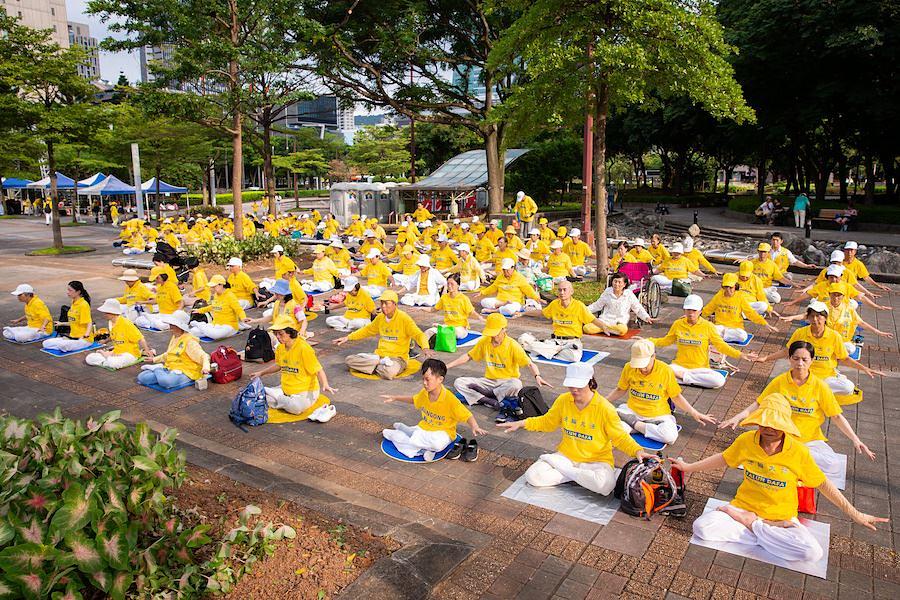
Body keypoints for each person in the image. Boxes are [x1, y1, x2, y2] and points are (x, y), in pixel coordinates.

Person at [674, 393, 886, 563]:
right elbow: (723, 459)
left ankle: (754, 526)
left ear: (785, 425)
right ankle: (760, 528)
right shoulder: (747, 440)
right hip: (745, 508)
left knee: (811, 553)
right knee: (701, 528)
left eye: (775, 424)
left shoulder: (798, 451)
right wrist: (688, 467)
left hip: (780, 517)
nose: (769, 429)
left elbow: (822, 483)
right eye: (764, 423)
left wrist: (855, 514)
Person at [722, 341, 875, 481]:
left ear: (812, 360)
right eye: (795, 359)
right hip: (782, 437)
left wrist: (856, 439)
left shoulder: (820, 386)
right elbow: (758, 403)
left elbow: (836, 416)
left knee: (833, 464)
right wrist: (737, 417)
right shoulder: (780, 382)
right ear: (789, 359)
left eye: (804, 359)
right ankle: (787, 458)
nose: (800, 363)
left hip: (809, 440)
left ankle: (786, 459)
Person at [498, 362, 653, 494]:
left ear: (590, 382)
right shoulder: (563, 400)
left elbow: (620, 437)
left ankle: (569, 473)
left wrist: (637, 450)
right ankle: (580, 477)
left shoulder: (605, 408)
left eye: (579, 385)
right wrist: (522, 423)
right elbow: (547, 422)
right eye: (571, 385)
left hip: (596, 460)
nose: (574, 390)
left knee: (605, 485)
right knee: (533, 476)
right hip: (566, 457)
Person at [606, 340, 716, 445]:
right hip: (632, 411)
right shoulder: (628, 367)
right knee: (610, 432)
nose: (642, 369)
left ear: (653, 356)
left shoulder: (665, 370)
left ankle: (635, 425)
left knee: (669, 437)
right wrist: (603, 402)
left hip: (658, 415)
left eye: (644, 364)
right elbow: (620, 389)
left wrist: (694, 412)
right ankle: (639, 425)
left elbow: (676, 396)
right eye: (638, 364)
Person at [761, 301, 883, 395]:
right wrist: (765, 358)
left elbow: (844, 358)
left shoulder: (834, 336)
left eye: (819, 316)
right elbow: (787, 351)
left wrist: (864, 368)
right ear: (807, 317)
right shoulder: (800, 333)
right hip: (804, 374)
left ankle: (817, 389)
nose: (815, 320)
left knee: (848, 387)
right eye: (812, 316)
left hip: (827, 376)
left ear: (825, 318)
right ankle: (814, 389)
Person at [381, 359, 487, 461]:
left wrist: (475, 427)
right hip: (424, 429)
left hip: (443, 433)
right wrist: (395, 397)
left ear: (440, 379)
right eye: (423, 379)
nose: (424, 383)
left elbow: (467, 415)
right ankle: (420, 446)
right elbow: (414, 399)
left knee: (437, 444)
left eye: (428, 379)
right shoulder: (424, 393)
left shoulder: (450, 400)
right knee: (395, 436)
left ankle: (407, 434)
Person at [446, 313, 550, 409]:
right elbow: (469, 356)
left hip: (506, 382)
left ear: (504, 329)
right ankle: (488, 400)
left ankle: (483, 396)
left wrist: (537, 376)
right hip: (488, 382)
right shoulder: (484, 341)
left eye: (495, 332)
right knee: (459, 382)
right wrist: (447, 366)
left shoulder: (513, 345)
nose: (492, 336)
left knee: (516, 384)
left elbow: (530, 364)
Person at [650, 295, 756, 389]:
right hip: (679, 366)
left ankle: (682, 378)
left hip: (700, 369)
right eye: (688, 310)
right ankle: (686, 378)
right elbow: (665, 341)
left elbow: (721, 346)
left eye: (694, 310)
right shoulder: (677, 324)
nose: (691, 313)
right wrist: (647, 340)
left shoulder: (708, 326)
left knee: (719, 380)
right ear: (684, 310)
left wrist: (741, 354)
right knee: (664, 370)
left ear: (700, 311)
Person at [334, 290, 434, 379]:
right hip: (379, 357)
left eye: (386, 303)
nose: (383, 306)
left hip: (398, 359)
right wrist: (348, 337)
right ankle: (378, 364)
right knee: (349, 360)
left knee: (388, 373)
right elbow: (367, 330)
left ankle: (374, 366)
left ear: (395, 304)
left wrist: (425, 347)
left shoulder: (404, 319)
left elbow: (418, 334)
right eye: (382, 303)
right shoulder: (380, 318)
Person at [250, 316, 337, 416]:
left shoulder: (304, 348)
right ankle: (279, 397)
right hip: (286, 389)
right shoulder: (280, 348)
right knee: (260, 398)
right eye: (275, 334)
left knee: (296, 408)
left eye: (280, 334)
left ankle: (277, 396)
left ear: (290, 332)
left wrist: (325, 384)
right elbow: (279, 365)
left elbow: (318, 369)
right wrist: (261, 373)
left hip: (305, 391)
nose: (277, 337)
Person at [518, 279, 607, 362]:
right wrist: (524, 313)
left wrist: (604, 327)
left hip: (572, 342)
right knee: (523, 340)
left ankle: (549, 350)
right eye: (560, 290)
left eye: (565, 290)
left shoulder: (579, 305)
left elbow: (592, 319)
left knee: (575, 358)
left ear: (571, 292)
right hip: (555, 341)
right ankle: (555, 350)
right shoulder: (554, 304)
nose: (562, 293)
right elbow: (541, 313)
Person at [139, 311, 210, 389]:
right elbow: (169, 354)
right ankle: (159, 370)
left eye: (173, 325)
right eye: (170, 324)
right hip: (170, 368)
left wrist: (206, 368)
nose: (170, 327)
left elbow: (203, 356)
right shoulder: (175, 337)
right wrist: (154, 359)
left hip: (186, 371)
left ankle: (157, 369)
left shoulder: (190, 341)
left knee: (166, 382)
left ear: (179, 326)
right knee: (142, 377)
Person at [701, 273, 777, 344]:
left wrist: (764, 323)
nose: (728, 290)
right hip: (720, 326)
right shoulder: (718, 296)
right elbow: (707, 310)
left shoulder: (740, 297)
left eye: (730, 287)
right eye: (725, 287)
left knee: (743, 336)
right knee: (709, 328)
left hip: (735, 328)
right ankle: (716, 335)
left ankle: (715, 336)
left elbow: (750, 313)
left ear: (736, 286)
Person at [823, 283, 893, 353]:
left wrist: (879, 332)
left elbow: (861, 323)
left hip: (842, 340)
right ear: (829, 294)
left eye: (839, 295)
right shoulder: (823, 307)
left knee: (850, 349)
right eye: (833, 295)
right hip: (825, 339)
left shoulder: (849, 309)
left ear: (843, 296)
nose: (836, 298)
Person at [85, 299, 151, 369]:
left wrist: (147, 351)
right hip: (116, 352)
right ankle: (107, 359)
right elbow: (113, 335)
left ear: (112, 312)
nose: (104, 315)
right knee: (89, 358)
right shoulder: (111, 322)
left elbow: (141, 339)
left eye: (106, 312)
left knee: (113, 363)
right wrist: (105, 341)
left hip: (129, 354)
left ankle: (106, 357)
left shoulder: (126, 324)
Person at [585, 272, 654, 336]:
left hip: (619, 323)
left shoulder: (629, 294)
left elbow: (638, 308)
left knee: (622, 330)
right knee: (587, 328)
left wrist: (646, 317)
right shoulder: (608, 292)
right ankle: (606, 329)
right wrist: (583, 310)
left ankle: (605, 329)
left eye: (619, 282)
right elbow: (597, 305)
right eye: (615, 281)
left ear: (624, 284)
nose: (616, 284)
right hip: (604, 320)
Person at [475, 258, 542, 317]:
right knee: (484, 302)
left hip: (514, 302)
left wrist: (536, 298)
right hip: (500, 300)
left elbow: (528, 289)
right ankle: (502, 305)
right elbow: (493, 287)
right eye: (504, 270)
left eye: (507, 270)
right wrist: (482, 292)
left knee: (509, 309)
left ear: (513, 268)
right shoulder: (500, 277)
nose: (505, 272)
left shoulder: (519, 278)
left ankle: (493, 311)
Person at [189, 275, 248, 340]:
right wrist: (199, 310)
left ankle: (199, 325)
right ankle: (205, 328)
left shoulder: (230, 296)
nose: (212, 288)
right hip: (216, 324)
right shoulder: (216, 295)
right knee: (193, 332)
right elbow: (213, 307)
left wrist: (243, 318)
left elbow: (239, 310)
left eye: (214, 286)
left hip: (229, 326)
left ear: (221, 285)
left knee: (215, 334)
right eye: (212, 287)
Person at [424, 274, 480, 341]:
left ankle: (442, 330)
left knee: (456, 332)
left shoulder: (464, 298)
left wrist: (481, 318)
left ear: (458, 285)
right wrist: (420, 308)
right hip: (447, 325)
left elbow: (472, 312)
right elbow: (433, 309)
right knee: (428, 332)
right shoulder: (444, 297)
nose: (449, 286)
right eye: (448, 284)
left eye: (452, 284)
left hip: (460, 328)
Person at [43, 281, 94, 353]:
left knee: (62, 345)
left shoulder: (83, 305)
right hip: (72, 337)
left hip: (84, 340)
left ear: (78, 292)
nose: (67, 292)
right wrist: (61, 323)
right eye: (67, 290)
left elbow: (89, 322)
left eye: (70, 290)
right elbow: (74, 322)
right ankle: (67, 344)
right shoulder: (74, 302)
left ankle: (67, 345)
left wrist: (86, 335)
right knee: (46, 343)